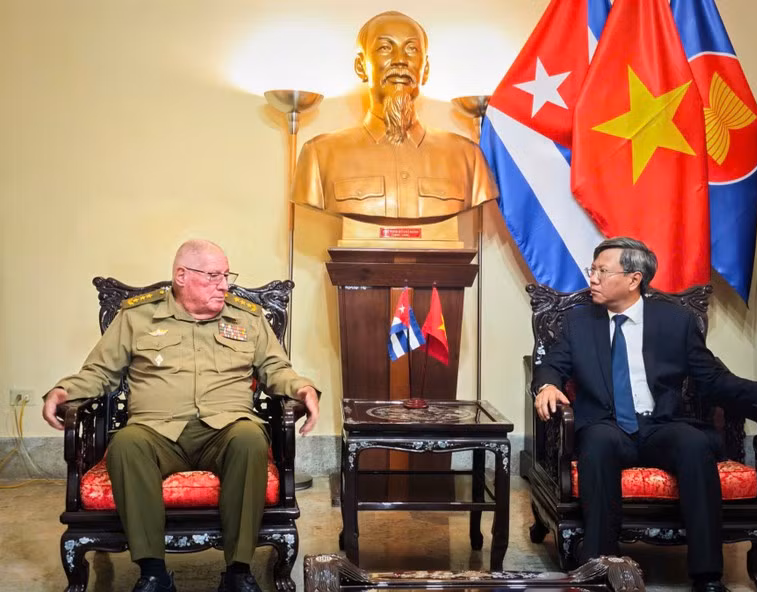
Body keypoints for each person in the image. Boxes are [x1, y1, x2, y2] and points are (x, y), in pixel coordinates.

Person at [42, 239, 320, 592]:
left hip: (226, 428)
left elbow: (276, 368)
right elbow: (99, 372)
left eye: (226, 275)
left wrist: (302, 389)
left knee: (250, 439)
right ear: (181, 276)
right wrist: (64, 391)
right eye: (213, 276)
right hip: (156, 432)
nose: (224, 284)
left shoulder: (247, 318)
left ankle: (238, 571)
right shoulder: (136, 317)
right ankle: (153, 572)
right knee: (126, 443)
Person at [532, 236, 757, 592]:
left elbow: (713, 378)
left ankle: (707, 576)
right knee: (598, 445)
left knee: (694, 445)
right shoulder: (579, 322)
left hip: (660, 424)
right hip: (606, 426)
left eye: (601, 271)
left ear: (634, 278)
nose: (592, 277)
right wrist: (546, 386)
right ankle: (601, 569)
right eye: (593, 270)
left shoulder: (675, 321)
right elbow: (550, 365)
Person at [291, 10, 497, 225]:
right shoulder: (319, 155)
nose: (400, 60)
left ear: (425, 70)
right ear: (361, 67)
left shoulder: (467, 157)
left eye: (412, 49)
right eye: (385, 48)